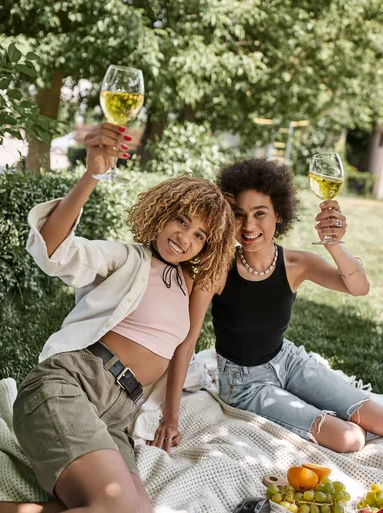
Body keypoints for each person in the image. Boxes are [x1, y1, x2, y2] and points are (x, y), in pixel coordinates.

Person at [0, 122, 235, 513]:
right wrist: (91, 177)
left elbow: (184, 348)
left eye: (200, 235)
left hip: (117, 414)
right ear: (162, 213)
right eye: (182, 220)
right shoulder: (127, 258)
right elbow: (55, 250)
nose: (185, 237)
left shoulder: (189, 285)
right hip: (70, 384)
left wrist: (171, 416)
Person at [152, 158, 383, 455]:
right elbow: (186, 343)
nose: (248, 225)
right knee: (350, 439)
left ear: (279, 216)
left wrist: (333, 245)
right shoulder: (218, 270)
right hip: (244, 383)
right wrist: (171, 419)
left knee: (378, 418)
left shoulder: (297, 264)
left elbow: (359, 288)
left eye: (260, 214)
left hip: (288, 360)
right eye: (239, 215)